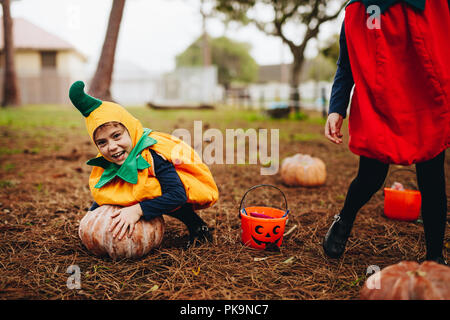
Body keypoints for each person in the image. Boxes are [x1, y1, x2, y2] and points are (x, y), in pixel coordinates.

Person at [323, 0, 449, 265]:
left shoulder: (435, 5)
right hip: (380, 103)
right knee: (370, 177)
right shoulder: (358, 12)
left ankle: (435, 257)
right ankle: (345, 218)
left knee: (432, 177)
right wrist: (337, 109)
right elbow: (347, 64)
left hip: (423, 101)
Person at [69, 80, 219, 248]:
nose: (111, 146)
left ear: (130, 130)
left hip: (177, 190)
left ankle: (197, 225)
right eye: (102, 143)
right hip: (143, 187)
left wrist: (137, 209)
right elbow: (106, 193)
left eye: (117, 136)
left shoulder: (153, 156)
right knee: (121, 188)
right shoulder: (109, 159)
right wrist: (91, 219)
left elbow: (178, 195)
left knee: (156, 188)